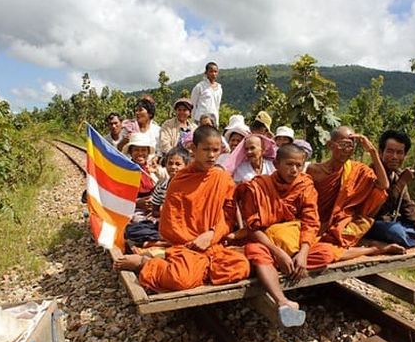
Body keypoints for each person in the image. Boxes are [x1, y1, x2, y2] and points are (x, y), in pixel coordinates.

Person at [113, 125, 250, 292]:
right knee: (180, 279)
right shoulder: (179, 181)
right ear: (193, 149)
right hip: (186, 246)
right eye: (206, 149)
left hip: (213, 244)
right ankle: (146, 263)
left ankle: (198, 269)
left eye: (216, 150)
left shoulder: (222, 178)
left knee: (241, 266)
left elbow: (228, 217)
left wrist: (211, 234)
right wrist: (193, 241)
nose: (212, 155)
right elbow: (170, 226)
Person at [237, 144, 339, 327]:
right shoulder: (258, 187)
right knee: (254, 250)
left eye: (299, 165)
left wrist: (303, 253)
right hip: (269, 244)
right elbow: (253, 228)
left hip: (295, 243)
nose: (294, 170)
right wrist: (279, 253)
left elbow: (310, 222)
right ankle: (282, 300)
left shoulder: (305, 185)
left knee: (326, 253)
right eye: (289, 164)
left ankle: (276, 268)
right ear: (276, 163)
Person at [307, 126, 405, 256]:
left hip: (341, 224)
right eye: (344, 145)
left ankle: (374, 249)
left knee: (324, 252)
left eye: (351, 146)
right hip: (314, 222)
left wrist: (372, 151)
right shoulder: (314, 170)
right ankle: (374, 249)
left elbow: (384, 185)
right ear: (330, 145)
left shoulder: (357, 169)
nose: (347, 150)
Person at [365, 130, 415, 247]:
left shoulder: (398, 173)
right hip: (374, 223)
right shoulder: (371, 173)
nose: (394, 157)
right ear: (380, 152)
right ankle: (411, 237)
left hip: (393, 221)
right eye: (390, 152)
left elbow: (408, 206)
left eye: (399, 153)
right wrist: (401, 182)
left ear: (404, 155)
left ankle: (413, 234)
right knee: (395, 231)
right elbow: (381, 206)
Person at [124, 146, 190, 247]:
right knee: (131, 230)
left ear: (186, 166)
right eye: (170, 163)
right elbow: (154, 211)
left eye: (178, 164)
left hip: (182, 226)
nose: (173, 167)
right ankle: (165, 242)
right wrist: (160, 211)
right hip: (163, 224)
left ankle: (157, 242)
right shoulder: (162, 185)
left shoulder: (189, 186)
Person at [190, 62, 222, 127]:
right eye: (211, 71)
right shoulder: (200, 86)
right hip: (200, 120)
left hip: (213, 121)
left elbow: (217, 106)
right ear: (206, 73)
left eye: (215, 71)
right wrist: (193, 122)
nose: (213, 74)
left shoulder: (219, 88)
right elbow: (193, 105)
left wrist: (217, 122)